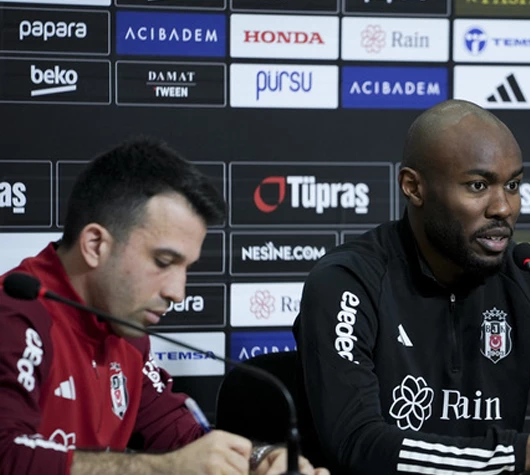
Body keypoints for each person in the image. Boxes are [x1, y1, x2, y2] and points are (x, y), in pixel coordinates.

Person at [292, 100, 530, 474]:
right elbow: (356, 444)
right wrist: (527, 453)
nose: (503, 208)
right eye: (478, 185)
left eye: (513, 185)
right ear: (413, 187)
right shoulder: (347, 281)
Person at [0, 138, 328, 475]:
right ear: (95, 245)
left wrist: (259, 461)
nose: (177, 292)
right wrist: (163, 468)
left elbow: (183, 439)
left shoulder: (125, 326)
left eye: (186, 268)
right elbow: (5, 454)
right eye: (163, 261)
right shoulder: (15, 315)